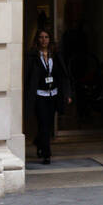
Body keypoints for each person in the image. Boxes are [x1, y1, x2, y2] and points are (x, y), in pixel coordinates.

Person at [26, 29, 72, 164]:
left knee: (48, 124)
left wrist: (67, 94)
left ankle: (38, 143)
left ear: (50, 39)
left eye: (46, 37)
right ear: (37, 40)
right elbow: (28, 77)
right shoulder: (32, 56)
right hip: (39, 95)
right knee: (43, 124)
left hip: (53, 95)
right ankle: (47, 154)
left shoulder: (55, 55)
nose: (44, 40)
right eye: (41, 37)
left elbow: (63, 75)